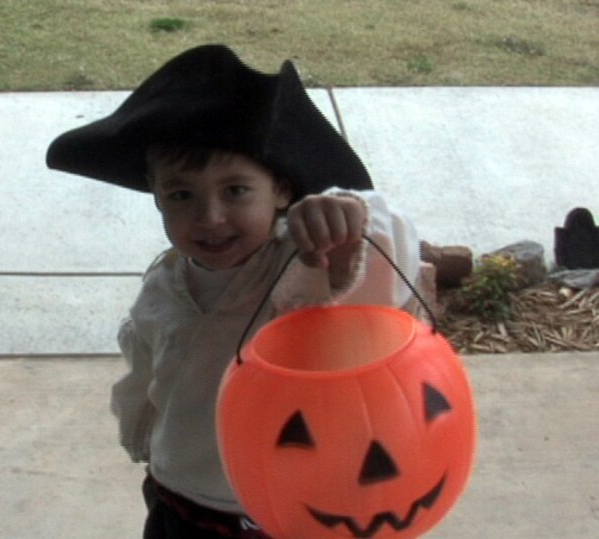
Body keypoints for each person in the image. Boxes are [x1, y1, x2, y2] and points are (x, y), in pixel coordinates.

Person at [46, 44, 420, 538]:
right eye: (181, 195)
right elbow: (148, 374)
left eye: (236, 190)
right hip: (178, 498)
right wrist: (147, 442)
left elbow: (367, 287)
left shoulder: (297, 266)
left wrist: (344, 218)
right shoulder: (163, 284)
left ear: (282, 191)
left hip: (278, 511)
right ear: (156, 198)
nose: (210, 217)